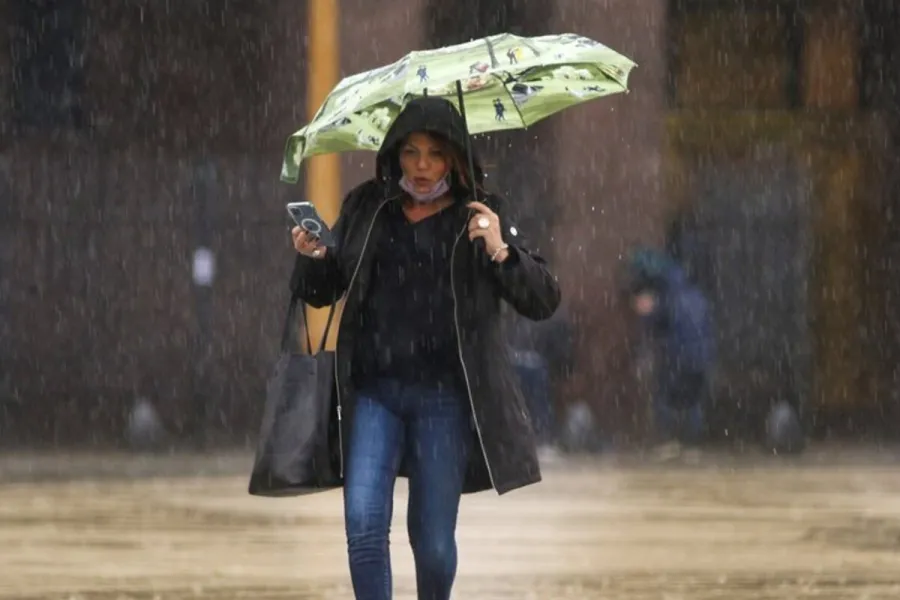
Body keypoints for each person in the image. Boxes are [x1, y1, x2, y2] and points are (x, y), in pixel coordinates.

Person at [289, 96, 561, 600]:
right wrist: (314, 257)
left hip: (445, 400)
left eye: (435, 154)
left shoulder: (482, 213)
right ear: (395, 154)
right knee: (364, 526)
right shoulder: (368, 207)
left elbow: (543, 298)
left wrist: (501, 250)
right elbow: (323, 289)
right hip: (374, 393)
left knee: (433, 545)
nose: (420, 166)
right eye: (410, 151)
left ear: (454, 158)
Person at [625, 247, 714, 457]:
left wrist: (646, 313)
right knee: (692, 401)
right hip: (701, 356)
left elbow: (656, 319)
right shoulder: (694, 294)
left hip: (679, 355)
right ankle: (691, 444)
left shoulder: (668, 295)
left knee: (667, 398)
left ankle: (671, 441)